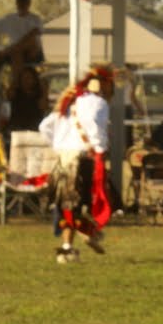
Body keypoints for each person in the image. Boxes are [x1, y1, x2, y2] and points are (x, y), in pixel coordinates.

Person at [39, 66, 112, 262]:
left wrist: (58, 144)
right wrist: (100, 149)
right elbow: (95, 126)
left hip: (63, 159)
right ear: (105, 85)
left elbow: (44, 126)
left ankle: (67, 248)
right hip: (83, 159)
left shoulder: (68, 102)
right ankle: (89, 231)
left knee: (67, 206)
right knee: (85, 203)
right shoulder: (99, 103)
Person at [0, 0, 44, 66]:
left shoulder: (35, 19)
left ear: (29, 3)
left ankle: (11, 50)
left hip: (32, 51)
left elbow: (34, 33)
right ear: (16, 3)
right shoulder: (9, 18)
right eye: (20, 2)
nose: (22, 5)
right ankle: (18, 73)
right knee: (17, 52)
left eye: (24, 2)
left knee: (31, 39)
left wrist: (11, 48)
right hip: (15, 51)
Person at [5, 64, 49, 135]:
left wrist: (44, 90)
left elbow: (43, 107)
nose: (25, 81)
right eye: (23, 78)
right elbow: (8, 95)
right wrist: (15, 82)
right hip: (16, 130)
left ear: (34, 80)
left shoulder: (39, 94)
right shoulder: (16, 93)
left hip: (34, 130)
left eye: (29, 78)